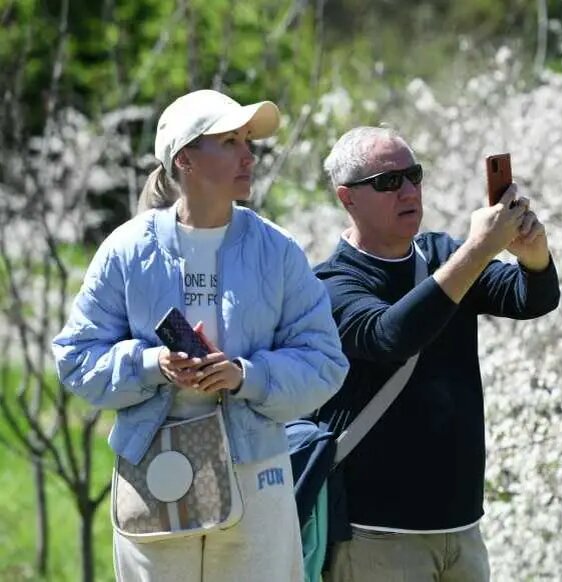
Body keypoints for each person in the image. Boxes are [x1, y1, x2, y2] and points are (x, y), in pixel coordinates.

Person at [52, 89, 349, 582]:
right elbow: (75, 359)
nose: (248, 155)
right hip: (155, 470)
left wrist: (244, 376)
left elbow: (325, 362)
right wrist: (153, 366)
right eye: (230, 141)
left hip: (255, 470)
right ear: (185, 159)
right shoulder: (127, 250)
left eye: (247, 141)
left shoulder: (277, 251)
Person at [313, 126, 560, 581]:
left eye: (414, 175)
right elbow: (391, 337)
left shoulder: (442, 254)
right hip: (377, 535)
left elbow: (531, 298)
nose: (408, 190)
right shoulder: (330, 283)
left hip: (462, 528)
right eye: (389, 182)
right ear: (348, 199)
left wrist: (533, 253)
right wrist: (478, 249)